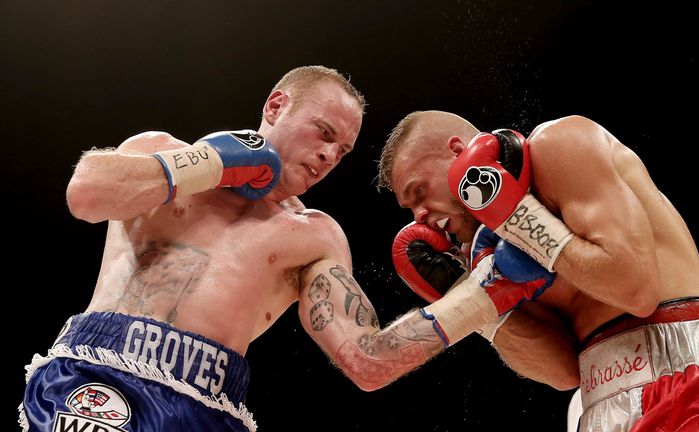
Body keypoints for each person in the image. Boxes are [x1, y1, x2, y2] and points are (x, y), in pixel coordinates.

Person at [19, 68, 534, 432]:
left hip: (206, 409)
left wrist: (486, 292)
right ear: (275, 106)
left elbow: (367, 361)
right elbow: (85, 193)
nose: (330, 154)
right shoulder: (163, 151)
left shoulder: (313, 236)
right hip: (94, 376)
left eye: (343, 150)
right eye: (324, 133)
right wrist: (208, 164)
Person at [377, 111, 699, 431]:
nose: (420, 216)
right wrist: (474, 301)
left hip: (680, 366)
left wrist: (520, 220)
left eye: (418, 192)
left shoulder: (559, 145)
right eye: (409, 210)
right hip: (600, 393)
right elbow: (561, 372)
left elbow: (636, 291)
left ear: (458, 152)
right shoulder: (490, 256)